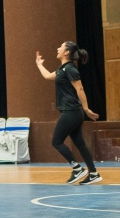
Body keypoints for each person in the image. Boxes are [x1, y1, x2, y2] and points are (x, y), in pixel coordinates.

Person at [36, 42, 101, 185]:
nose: (57, 48)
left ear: (66, 52)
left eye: (60, 47)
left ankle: (77, 168)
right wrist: (39, 64)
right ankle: (94, 173)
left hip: (71, 111)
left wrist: (86, 109)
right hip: (72, 112)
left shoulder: (70, 69)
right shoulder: (63, 69)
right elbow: (47, 76)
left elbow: (80, 89)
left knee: (56, 141)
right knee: (80, 144)